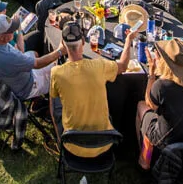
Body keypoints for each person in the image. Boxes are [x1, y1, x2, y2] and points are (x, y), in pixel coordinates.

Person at [50, 20, 144, 158]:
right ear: (83, 42)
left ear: (63, 44)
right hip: (104, 142)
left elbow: (53, 108)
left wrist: (60, 138)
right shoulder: (99, 66)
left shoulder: (56, 72)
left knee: (54, 102)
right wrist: (128, 40)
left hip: (72, 144)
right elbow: (123, 66)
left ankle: (59, 139)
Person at [136, 39, 183, 157]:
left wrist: (151, 74)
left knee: (141, 107)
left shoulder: (162, 86)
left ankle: (145, 157)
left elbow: (150, 104)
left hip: (168, 141)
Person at [0, 13, 63, 99]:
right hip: (27, 87)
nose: (14, 30)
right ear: (1, 36)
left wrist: (18, 29)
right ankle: (50, 104)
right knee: (58, 71)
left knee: (34, 53)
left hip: (12, 78)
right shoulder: (10, 57)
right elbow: (37, 64)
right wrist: (60, 51)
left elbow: (21, 53)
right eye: (11, 30)